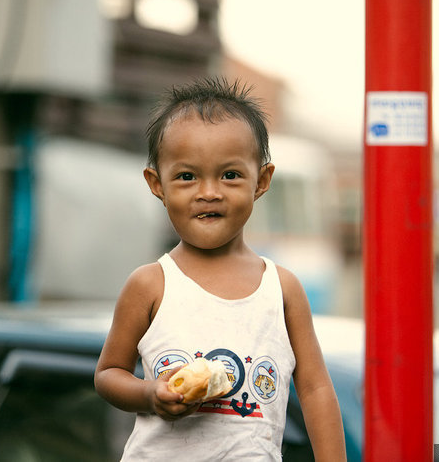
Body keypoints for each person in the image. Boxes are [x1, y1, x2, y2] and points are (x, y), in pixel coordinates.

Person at [94, 77, 346, 461]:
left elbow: (315, 389)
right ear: (156, 183)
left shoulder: (282, 289)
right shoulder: (150, 285)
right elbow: (108, 374)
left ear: (260, 181)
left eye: (229, 175)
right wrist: (149, 394)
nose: (208, 191)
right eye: (186, 176)